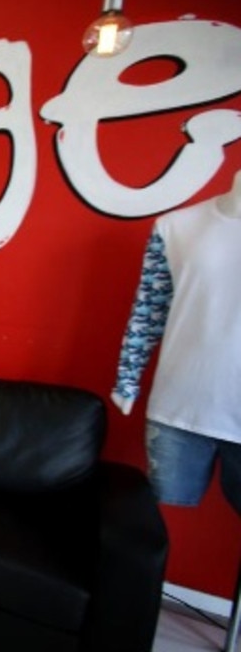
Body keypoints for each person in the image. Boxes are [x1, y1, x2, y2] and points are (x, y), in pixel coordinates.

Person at [111, 168, 241, 514]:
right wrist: (127, 379)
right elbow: (148, 310)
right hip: (178, 406)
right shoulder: (176, 227)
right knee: (160, 515)